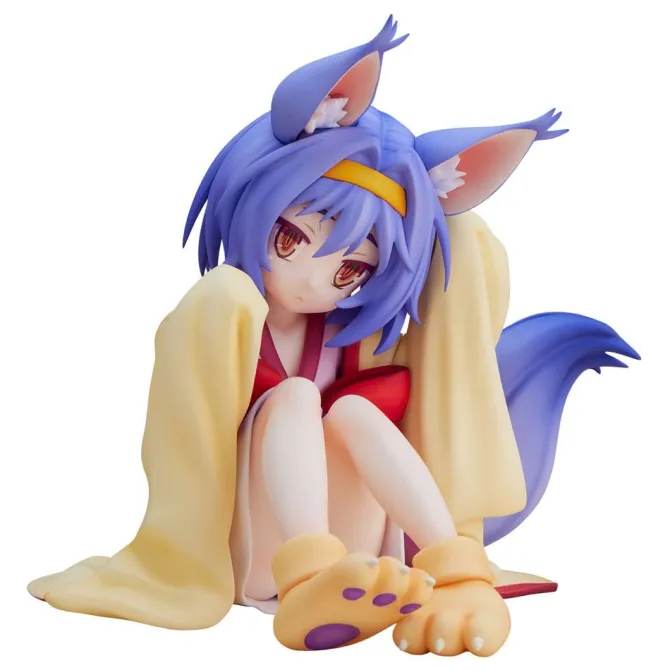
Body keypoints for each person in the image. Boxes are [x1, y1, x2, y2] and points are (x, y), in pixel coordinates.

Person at [28, 16, 639, 657]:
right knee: (295, 397)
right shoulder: (225, 313)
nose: (309, 278)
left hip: (366, 547)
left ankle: (457, 570)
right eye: (289, 238)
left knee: (354, 409)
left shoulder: (355, 336)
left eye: (350, 270)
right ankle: (309, 579)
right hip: (257, 549)